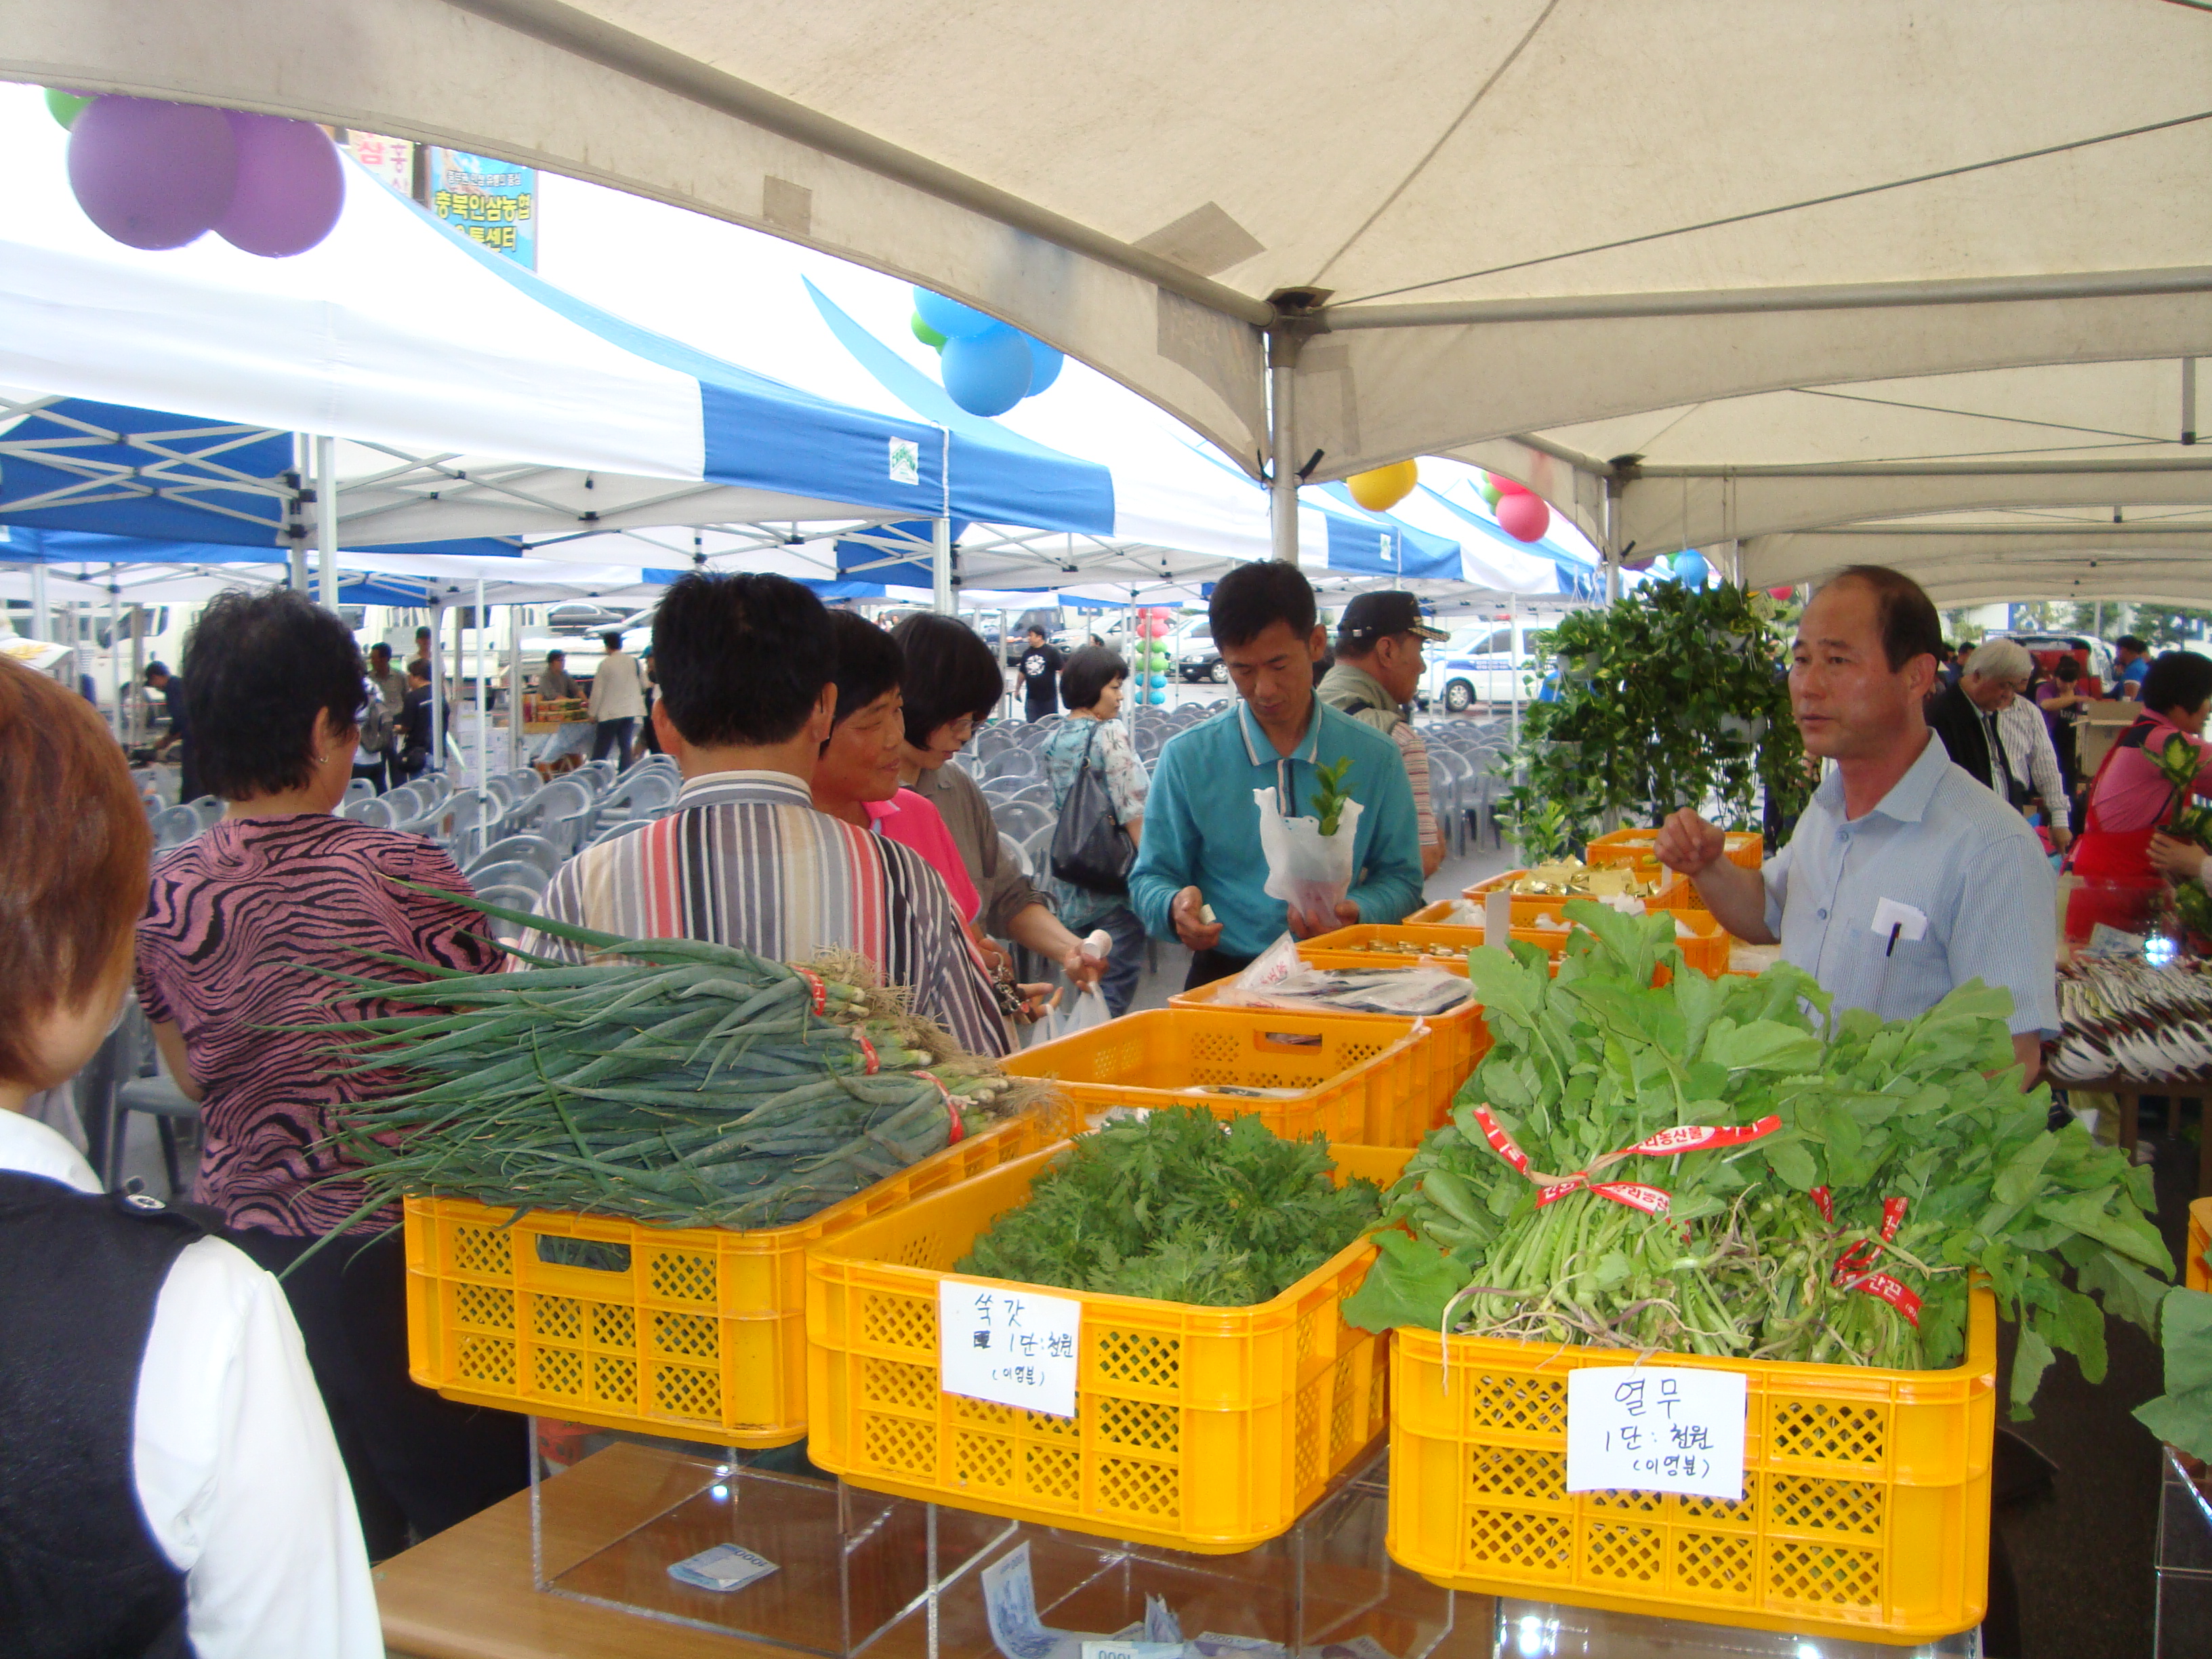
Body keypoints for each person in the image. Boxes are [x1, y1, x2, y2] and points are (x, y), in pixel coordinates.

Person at [132, 590, 527, 1561]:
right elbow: (479, 1051)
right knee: (470, 1532)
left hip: (243, 1256)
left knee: (317, 1537)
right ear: (323, 728)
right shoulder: (404, 870)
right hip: (404, 1259)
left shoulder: (169, 889)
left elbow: (188, 1077)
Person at [0, 657, 382, 1658]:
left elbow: (195, 1075)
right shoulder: (189, 1312)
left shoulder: (185, 889)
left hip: (243, 1198)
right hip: (386, 1233)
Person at [529, 574, 1012, 1057]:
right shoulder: (905, 883)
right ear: (825, 710)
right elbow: (984, 1077)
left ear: (664, 726)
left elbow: (519, 1078)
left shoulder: (580, 892)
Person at [1653, 565, 2057, 1082]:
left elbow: (2010, 1060)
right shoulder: (1827, 810)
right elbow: (1768, 914)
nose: (1809, 686)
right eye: (1802, 660)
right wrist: (1708, 867)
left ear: (1916, 677)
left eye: (1838, 660)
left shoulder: (1991, 847)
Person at [1128, 562, 1425, 988]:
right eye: (1242, 670)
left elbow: (1402, 878)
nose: (1263, 689)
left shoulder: (1376, 756)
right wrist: (1172, 905)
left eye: (1278, 664)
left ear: (1317, 643)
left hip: (1340, 972)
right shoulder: (1188, 758)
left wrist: (1358, 910)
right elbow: (1150, 877)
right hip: (1227, 976)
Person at [892, 614, 1107, 996]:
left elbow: (1008, 895)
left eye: (975, 724)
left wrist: (1070, 950)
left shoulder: (955, 786)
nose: (964, 737)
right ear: (911, 702)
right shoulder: (858, 801)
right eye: (957, 720)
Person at [812, 611, 980, 920]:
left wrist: (993, 967)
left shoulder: (918, 815)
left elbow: (970, 941)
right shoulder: (767, 842)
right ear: (810, 725)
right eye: (872, 722)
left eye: (898, 710)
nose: (894, 737)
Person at [2068, 649, 2212, 936]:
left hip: (2112, 884)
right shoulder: (2165, 741)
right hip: (2117, 891)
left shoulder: (2147, 732)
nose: (2209, 709)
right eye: (2208, 697)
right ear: (2185, 697)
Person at [1040, 647, 1151, 1016]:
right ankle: (1096, 1054)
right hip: (1112, 882)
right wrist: (1151, 871)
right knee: (1113, 987)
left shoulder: (1053, 740)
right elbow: (1132, 809)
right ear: (1092, 687)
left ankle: (1079, 1036)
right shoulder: (1110, 733)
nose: (1121, 696)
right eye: (1115, 686)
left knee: (1087, 978)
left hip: (1072, 878)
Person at [1318, 590, 1449, 878]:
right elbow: (1424, 858)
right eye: (1420, 650)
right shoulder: (1397, 739)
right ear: (1387, 650)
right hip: (1364, 915)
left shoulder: (1290, 721)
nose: (1422, 666)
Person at [1926, 639, 2070, 852]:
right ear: (1978, 675)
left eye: (2014, 687)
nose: (2008, 695)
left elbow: (2044, 764)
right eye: (2004, 685)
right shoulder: (1944, 718)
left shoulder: (1987, 712)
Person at [2038, 656, 2089, 828]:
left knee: (2069, 788)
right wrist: (2073, 699)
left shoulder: (2081, 693)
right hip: (2051, 743)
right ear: (2055, 677)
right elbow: (2046, 705)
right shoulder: (2046, 690)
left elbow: (2091, 709)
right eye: (2063, 682)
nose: (2067, 686)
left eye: (2071, 682)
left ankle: (2071, 824)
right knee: (2052, 786)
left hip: (2072, 746)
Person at [587, 630, 646, 768]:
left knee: (602, 747)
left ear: (607, 646)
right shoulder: (634, 662)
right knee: (625, 746)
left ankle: (595, 774)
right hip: (629, 711)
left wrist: (592, 713)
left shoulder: (605, 664)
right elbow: (645, 684)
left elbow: (598, 692)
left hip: (609, 712)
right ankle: (624, 774)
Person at [531, 648, 593, 777]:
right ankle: (544, 766)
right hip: (551, 716)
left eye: (563, 660)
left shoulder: (564, 675)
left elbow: (576, 689)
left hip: (564, 715)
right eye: (560, 661)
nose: (562, 663)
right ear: (552, 662)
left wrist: (587, 702)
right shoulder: (546, 677)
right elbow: (555, 697)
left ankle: (572, 764)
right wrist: (574, 703)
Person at [144, 660, 196, 802]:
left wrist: (167, 740)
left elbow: (180, 718)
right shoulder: (180, 684)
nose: (155, 687)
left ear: (156, 677)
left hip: (194, 738)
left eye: (153, 683)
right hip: (198, 734)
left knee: (192, 776)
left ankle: (189, 804)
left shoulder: (173, 688)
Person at [395, 659, 436, 781]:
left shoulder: (413, 697)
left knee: (421, 793)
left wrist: (397, 728)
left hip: (419, 754)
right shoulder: (439, 694)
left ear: (417, 677)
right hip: (438, 752)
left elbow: (406, 727)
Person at [1018, 625, 1065, 720]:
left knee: (1049, 724)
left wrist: (1064, 687)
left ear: (1040, 637)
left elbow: (1061, 669)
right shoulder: (1027, 653)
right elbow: (1022, 672)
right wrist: (1017, 689)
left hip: (1049, 698)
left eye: (1031, 636)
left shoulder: (1051, 652)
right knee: (1032, 725)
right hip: (1032, 697)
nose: (1029, 639)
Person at [2112, 634, 2150, 701]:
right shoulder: (2140, 666)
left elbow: (2129, 700)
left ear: (2123, 650)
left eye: (2117, 650)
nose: (2116, 653)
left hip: (2134, 711)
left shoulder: (2134, 670)